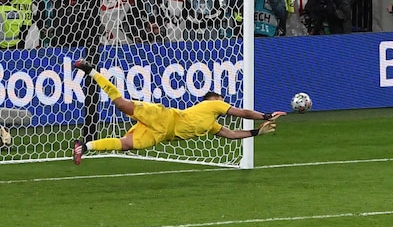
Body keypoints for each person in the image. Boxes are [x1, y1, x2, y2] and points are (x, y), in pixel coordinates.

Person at [71, 60, 285, 165]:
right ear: (213, 100)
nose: (222, 100)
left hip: (161, 134)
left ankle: (84, 146)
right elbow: (241, 113)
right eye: (219, 98)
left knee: (126, 144)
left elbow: (232, 134)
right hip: (164, 116)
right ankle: (90, 70)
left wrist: (258, 132)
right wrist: (265, 115)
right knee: (121, 104)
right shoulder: (213, 106)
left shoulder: (211, 124)